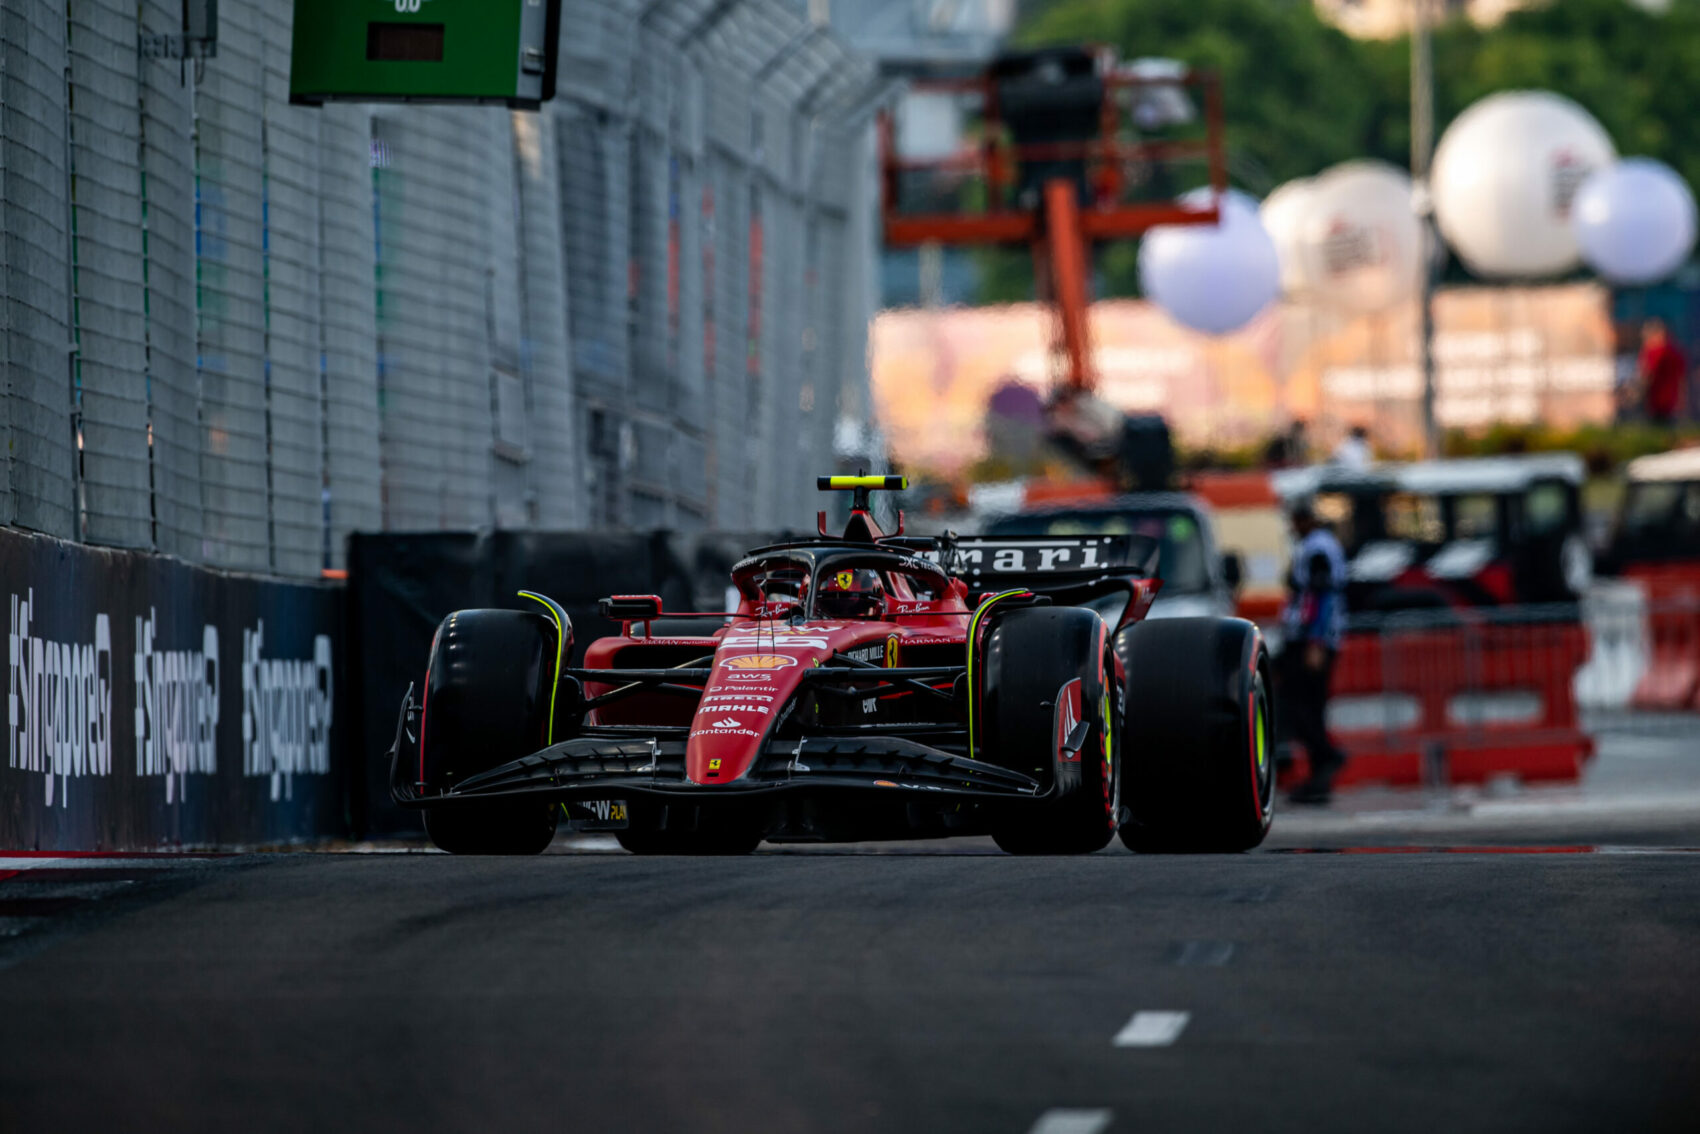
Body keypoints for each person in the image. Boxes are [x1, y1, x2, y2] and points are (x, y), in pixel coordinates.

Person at [1280, 501, 1349, 805]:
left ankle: (1328, 756)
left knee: (1295, 704)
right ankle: (1319, 779)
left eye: (1295, 522)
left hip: (1312, 638)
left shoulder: (1317, 548)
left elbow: (1321, 594)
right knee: (1312, 707)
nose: (1292, 528)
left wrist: (1316, 641)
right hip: (1312, 636)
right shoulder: (1320, 544)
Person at [1633, 319, 1689, 425]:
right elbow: (1682, 379)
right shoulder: (1676, 352)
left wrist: (1639, 394)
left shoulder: (1652, 353)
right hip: (1672, 400)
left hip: (1654, 401)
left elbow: (1646, 375)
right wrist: (1682, 401)